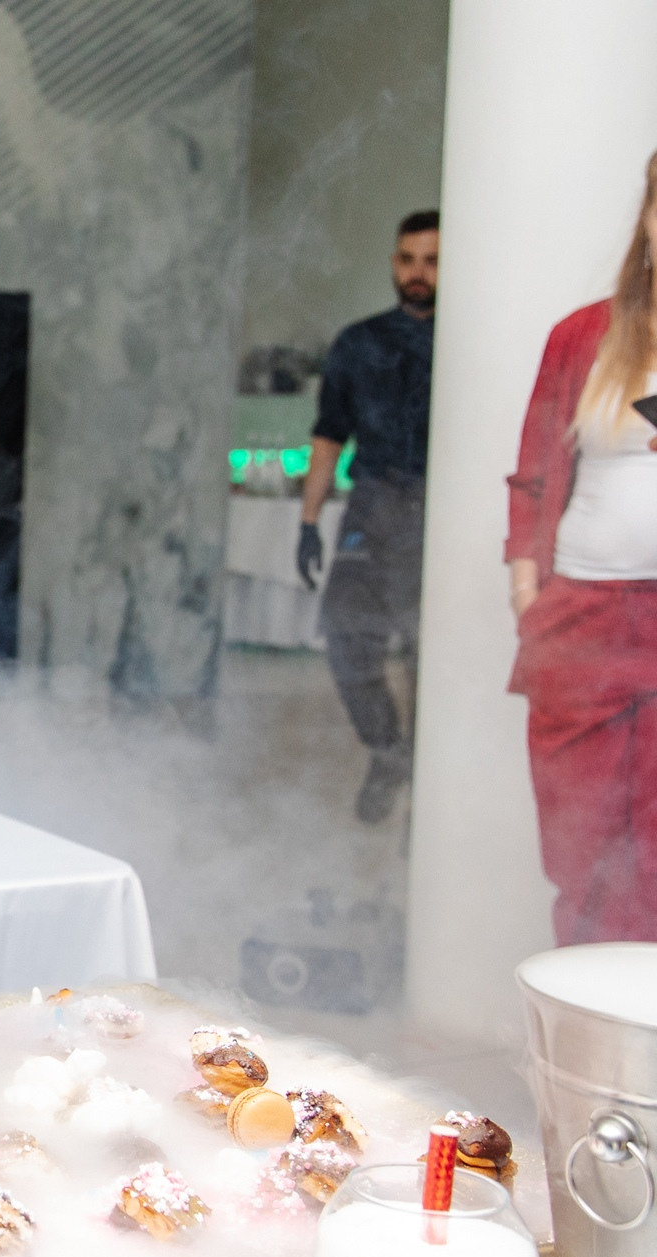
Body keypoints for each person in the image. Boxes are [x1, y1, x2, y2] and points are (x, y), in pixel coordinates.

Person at [505, 151, 657, 945]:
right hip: (583, 624)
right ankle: (587, 1036)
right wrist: (530, 598)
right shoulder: (583, 335)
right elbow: (533, 475)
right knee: (583, 846)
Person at [297, 209, 438, 825]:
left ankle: (436, 787)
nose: (417, 273)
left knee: (428, 654)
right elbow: (329, 434)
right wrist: (307, 522)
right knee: (348, 641)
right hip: (373, 505)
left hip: (442, 511)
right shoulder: (358, 343)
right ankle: (389, 753)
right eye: (407, 259)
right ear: (392, 262)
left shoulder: (473, 340)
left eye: (432, 261)